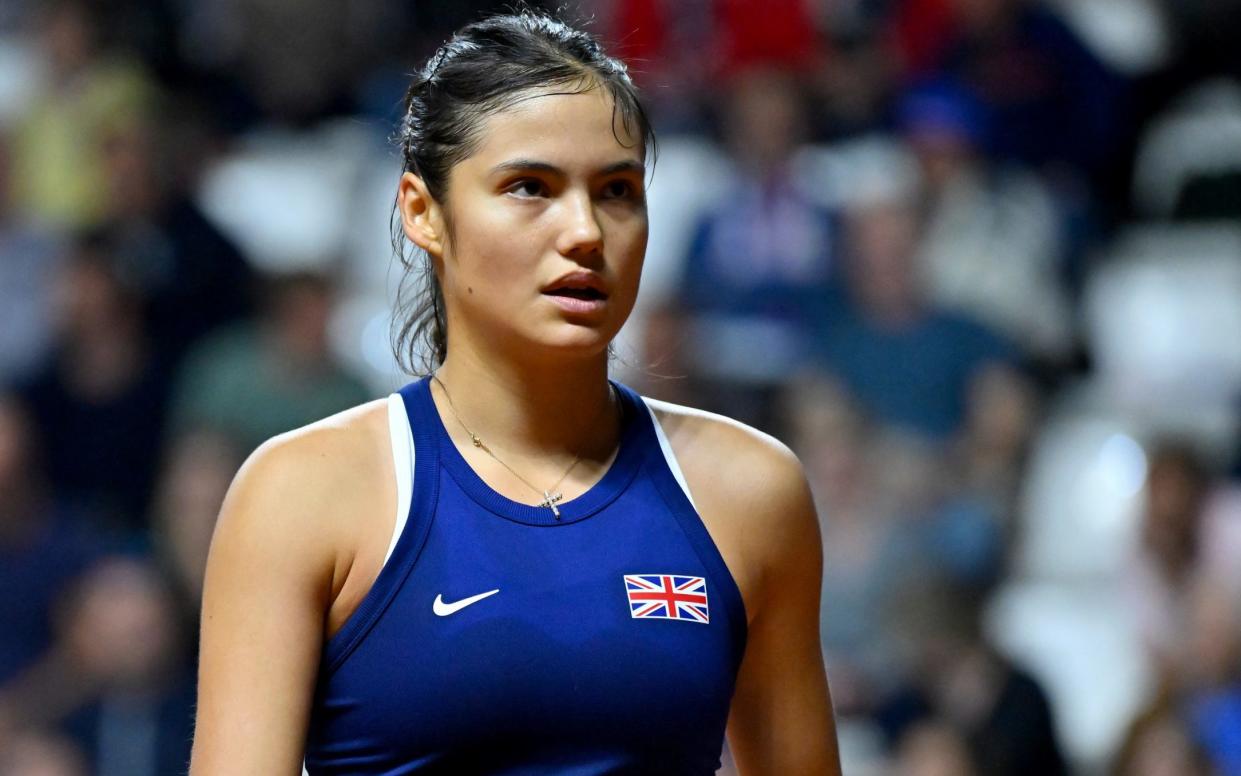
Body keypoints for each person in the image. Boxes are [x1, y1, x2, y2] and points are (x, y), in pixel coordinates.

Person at [190, 10, 841, 775]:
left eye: (616, 190)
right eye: (530, 187)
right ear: (422, 211)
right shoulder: (300, 492)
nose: (585, 232)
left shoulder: (750, 490)